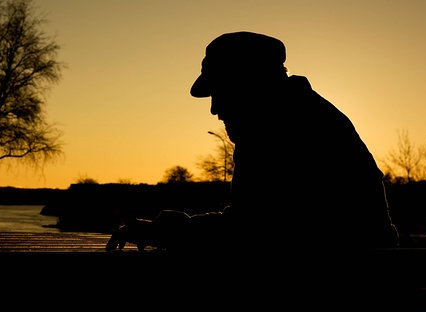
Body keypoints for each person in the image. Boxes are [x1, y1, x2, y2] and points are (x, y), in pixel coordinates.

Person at [107, 31, 398, 253]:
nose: (214, 108)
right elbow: (257, 222)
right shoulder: (296, 113)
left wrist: (174, 230)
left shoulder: (279, 128)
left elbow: (253, 231)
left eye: (220, 92)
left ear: (248, 85)